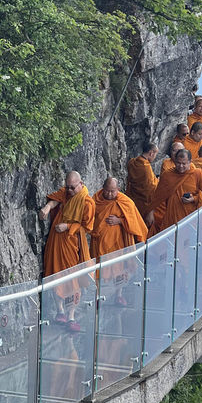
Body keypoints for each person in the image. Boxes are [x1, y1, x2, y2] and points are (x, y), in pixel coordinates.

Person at [39, 171, 95, 331]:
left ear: (81, 184)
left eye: (73, 188)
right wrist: (47, 207)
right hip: (56, 241)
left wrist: (68, 226)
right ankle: (60, 311)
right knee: (56, 274)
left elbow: (87, 227)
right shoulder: (66, 193)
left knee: (72, 279)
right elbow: (56, 199)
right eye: (67, 187)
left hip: (73, 243)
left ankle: (71, 316)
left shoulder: (87, 202)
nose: (69, 191)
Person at [91, 177, 148, 305]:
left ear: (118, 189)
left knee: (120, 268)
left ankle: (119, 294)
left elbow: (134, 221)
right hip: (99, 241)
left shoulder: (125, 202)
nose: (109, 194)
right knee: (99, 268)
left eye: (113, 191)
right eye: (107, 191)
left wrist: (120, 221)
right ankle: (97, 295)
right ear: (102, 188)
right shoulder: (96, 200)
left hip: (118, 242)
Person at [146, 148, 202, 233]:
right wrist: (150, 212)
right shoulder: (167, 175)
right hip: (171, 218)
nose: (181, 166)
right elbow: (157, 197)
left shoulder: (198, 174)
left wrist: (194, 199)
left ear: (190, 161)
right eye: (178, 163)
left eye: (184, 163)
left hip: (191, 218)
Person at [126, 142, 159, 219]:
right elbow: (151, 187)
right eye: (155, 155)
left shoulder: (132, 162)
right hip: (143, 202)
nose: (155, 157)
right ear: (151, 153)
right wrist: (158, 181)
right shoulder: (145, 167)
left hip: (132, 196)